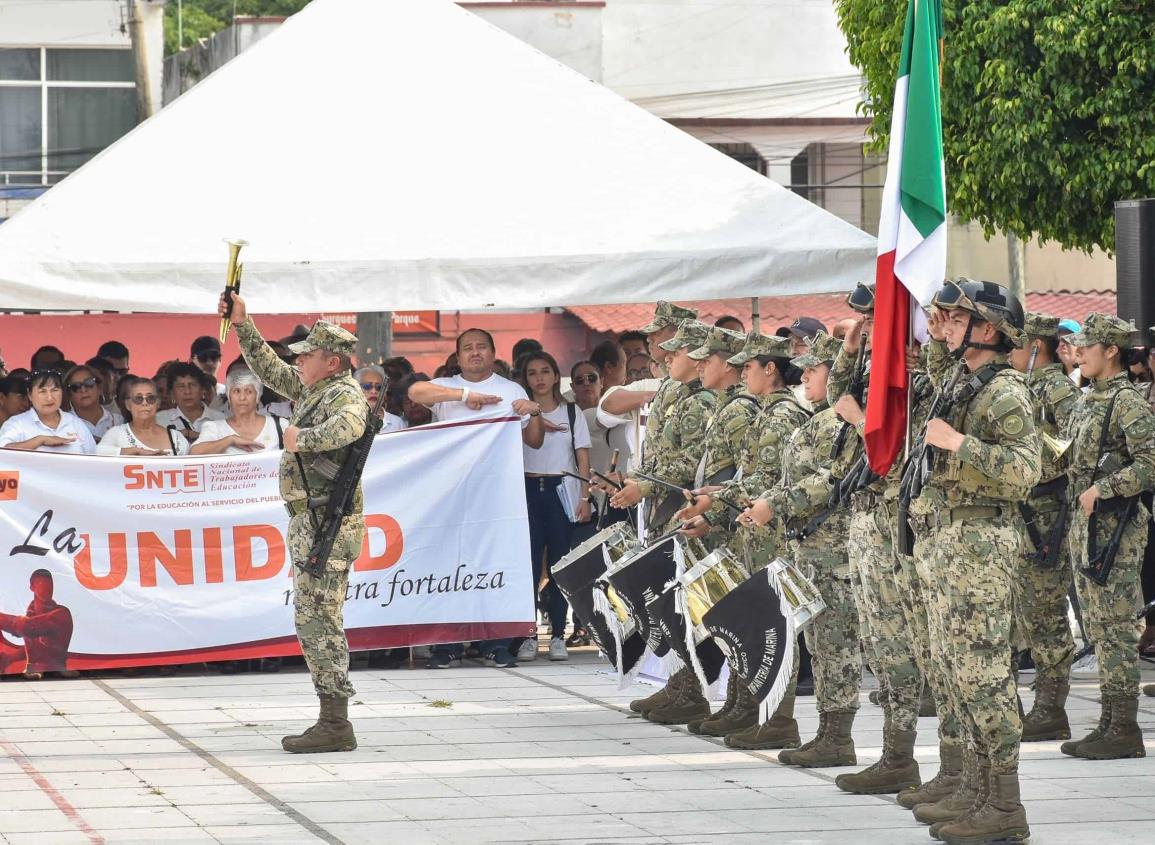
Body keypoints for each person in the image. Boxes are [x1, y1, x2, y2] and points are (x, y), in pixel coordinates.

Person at [904, 279, 1039, 845]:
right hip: (949, 546)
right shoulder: (967, 382)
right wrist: (936, 336)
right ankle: (979, 792)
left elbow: (1025, 472)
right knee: (958, 677)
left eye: (957, 317)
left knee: (983, 675)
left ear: (988, 329)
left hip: (980, 547)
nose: (944, 323)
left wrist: (961, 445)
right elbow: (932, 375)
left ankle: (1006, 806)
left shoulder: (1005, 392)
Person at [220, 292, 369, 754]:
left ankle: (335, 722)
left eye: (308, 356)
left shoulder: (344, 395)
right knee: (313, 619)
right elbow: (270, 369)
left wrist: (302, 438)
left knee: (319, 621)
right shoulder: (315, 389)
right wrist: (244, 326)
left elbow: (351, 427)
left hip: (329, 522)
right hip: (311, 520)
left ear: (332, 361)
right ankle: (332, 718)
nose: (299, 362)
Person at [739, 331, 861, 766]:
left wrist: (776, 503)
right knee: (820, 643)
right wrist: (761, 503)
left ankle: (838, 736)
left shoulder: (844, 421)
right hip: (809, 549)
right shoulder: (818, 417)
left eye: (815, 368)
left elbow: (831, 478)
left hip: (833, 550)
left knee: (837, 644)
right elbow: (792, 480)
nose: (805, 374)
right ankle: (827, 731)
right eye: (805, 367)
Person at [409, 328, 545, 669]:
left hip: (499, 496)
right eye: (467, 348)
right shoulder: (446, 387)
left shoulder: (510, 389)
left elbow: (535, 442)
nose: (474, 353)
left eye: (481, 347)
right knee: (450, 566)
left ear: (493, 352)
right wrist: (464, 394)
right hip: (452, 495)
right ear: (458, 356)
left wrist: (535, 411)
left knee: (495, 565)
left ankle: (495, 643)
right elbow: (415, 391)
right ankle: (449, 644)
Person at [1060, 312, 1155, 761]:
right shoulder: (1088, 398)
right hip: (1087, 523)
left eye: (1088, 345)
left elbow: (1149, 463)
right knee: (1098, 624)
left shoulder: (1127, 401)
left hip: (1115, 525)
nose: (1079, 352)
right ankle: (1107, 721)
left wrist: (1105, 487)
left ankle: (1124, 727)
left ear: (1111, 350)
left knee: (1116, 627)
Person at [1006, 313, 1079, 742]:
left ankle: (1051, 708)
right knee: (1023, 610)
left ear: (1036, 346)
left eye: (1018, 343)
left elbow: (1075, 439)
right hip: (1024, 509)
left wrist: (1036, 454)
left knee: (1045, 611)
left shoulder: (1054, 386)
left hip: (1046, 513)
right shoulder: (1025, 385)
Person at [513, 351, 592, 663]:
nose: (540, 378)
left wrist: (584, 497)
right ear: (526, 380)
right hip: (527, 489)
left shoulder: (572, 413)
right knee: (528, 567)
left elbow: (583, 457)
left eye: (545, 371)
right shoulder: (518, 412)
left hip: (561, 489)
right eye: (532, 373)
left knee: (559, 566)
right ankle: (528, 635)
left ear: (556, 376)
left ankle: (559, 633)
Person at [0, 570, 76, 680]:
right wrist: (10, 658)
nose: (47, 589)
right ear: (32, 587)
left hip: (53, 670)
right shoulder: (32, 612)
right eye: (42, 584)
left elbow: (26, 628)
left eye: (50, 585)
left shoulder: (61, 614)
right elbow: (38, 646)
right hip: (32, 670)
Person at [0, 370, 96, 454]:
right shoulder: (17, 424)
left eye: (55, 390)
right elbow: (3, 454)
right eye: (42, 391)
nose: (49, 398)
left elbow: (93, 459)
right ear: (29, 395)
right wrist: (40, 440)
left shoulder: (75, 423)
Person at [191, 369, 284, 455]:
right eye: (236, 391)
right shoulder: (214, 428)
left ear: (258, 397)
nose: (242, 397)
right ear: (229, 397)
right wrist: (230, 440)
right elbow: (194, 454)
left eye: (249, 391)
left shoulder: (279, 426)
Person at [98, 378, 190, 456]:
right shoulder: (116, 434)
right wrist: (132, 452)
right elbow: (97, 453)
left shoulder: (176, 438)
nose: (144, 403)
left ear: (157, 403)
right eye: (138, 398)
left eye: (150, 398)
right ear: (128, 405)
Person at [157, 363, 225, 442]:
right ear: (172, 393)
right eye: (181, 386)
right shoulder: (159, 420)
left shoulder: (221, 419)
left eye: (192, 385)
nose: (187, 392)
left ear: (203, 390)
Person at [64, 365, 115, 441]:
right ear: (69, 394)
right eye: (75, 387)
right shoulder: (62, 423)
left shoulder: (118, 421)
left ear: (99, 388)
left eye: (89, 383)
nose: (83, 390)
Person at [354, 365, 405, 433]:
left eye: (379, 387)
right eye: (367, 386)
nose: (374, 391)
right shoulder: (344, 421)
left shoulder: (397, 423)